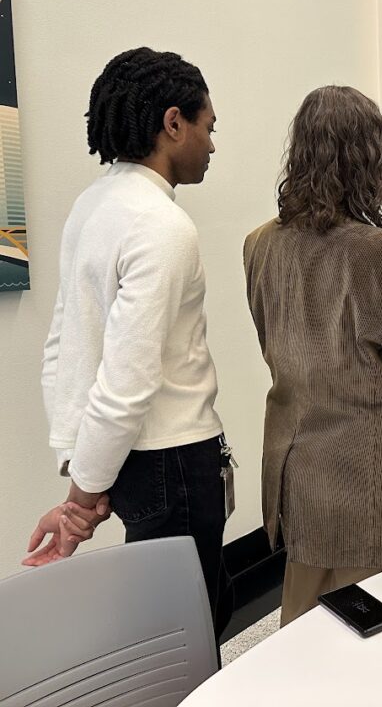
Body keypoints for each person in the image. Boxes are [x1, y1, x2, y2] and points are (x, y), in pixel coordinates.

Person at [27, 46, 232, 636]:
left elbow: (64, 348)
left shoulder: (92, 205)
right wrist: (79, 500)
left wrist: (83, 472)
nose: (212, 145)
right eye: (208, 127)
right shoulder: (163, 226)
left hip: (133, 465)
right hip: (174, 460)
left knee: (171, 620)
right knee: (189, 632)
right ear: (174, 123)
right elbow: (127, 381)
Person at [243, 85, 382, 626]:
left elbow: (277, 344)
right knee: (380, 631)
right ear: (370, 160)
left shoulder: (259, 245)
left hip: (299, 472)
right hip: (375, 486)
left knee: (304, 626)